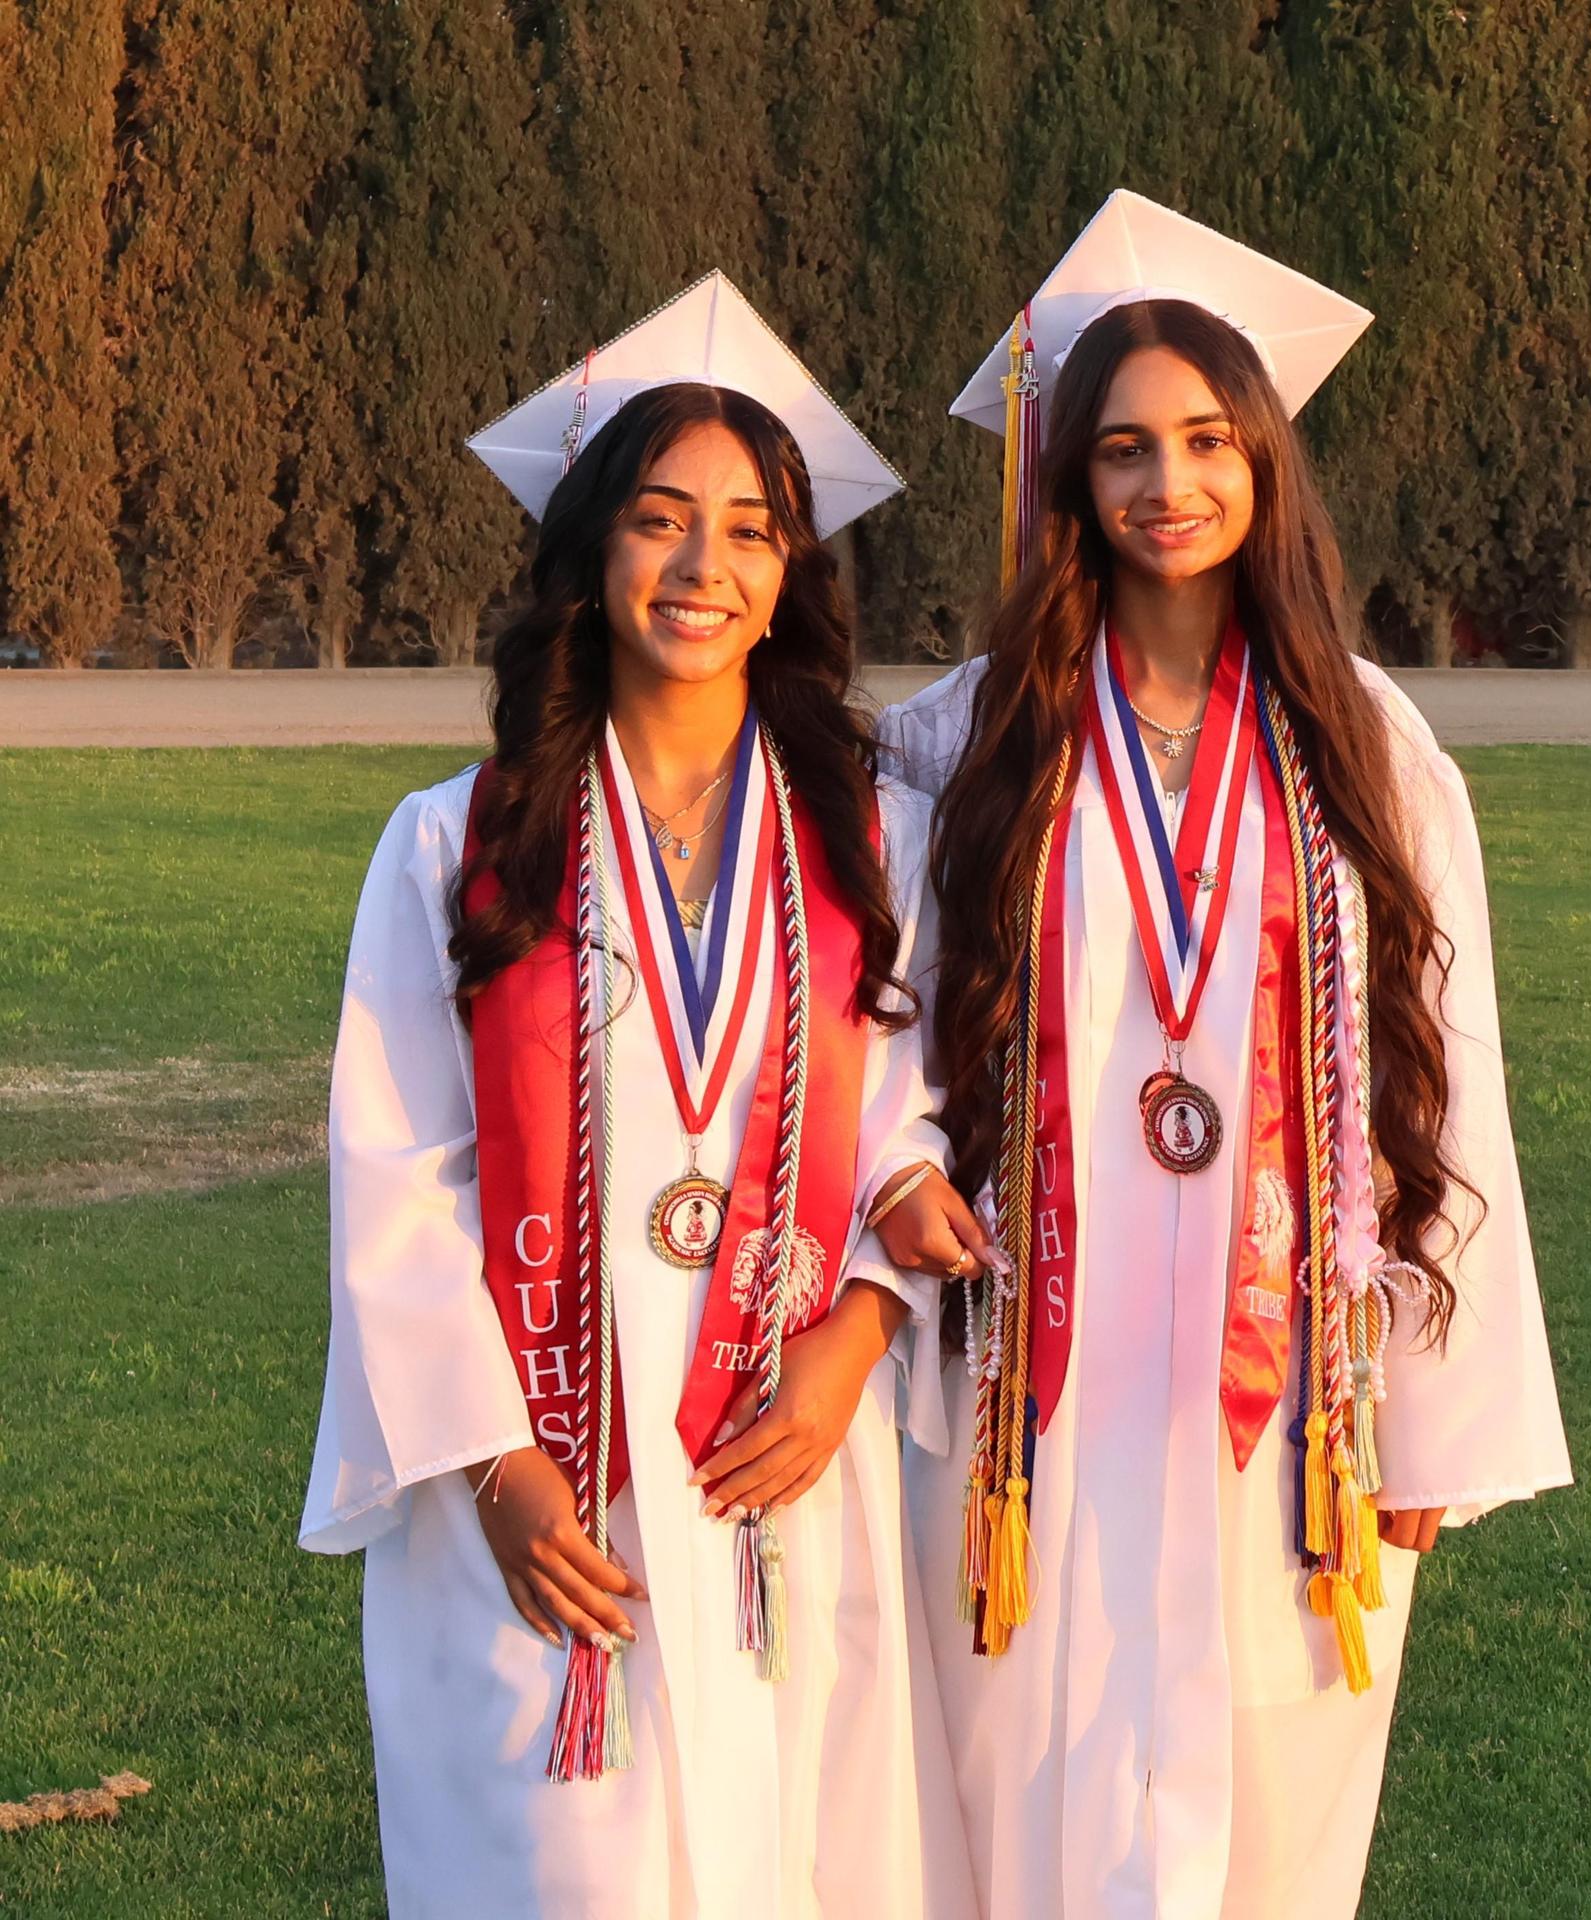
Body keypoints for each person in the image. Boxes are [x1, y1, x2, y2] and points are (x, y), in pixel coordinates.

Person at [881, 191, 1572, 1919]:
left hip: (1295, 1389)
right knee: (1022, 1785)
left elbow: (1449, 1054)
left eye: (1204, 438)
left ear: (1265, 456)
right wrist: (895, 1167)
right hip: (1034, 1372)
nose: (1164, 483)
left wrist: (1434, 1420)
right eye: (1119, 448)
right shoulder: (968, 732)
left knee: (1273, 1801)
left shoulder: (1366, 732)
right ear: (1069, 478)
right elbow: (861, 983)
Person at [301, 272, 983, 1920]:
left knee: (791, 1859)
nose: (703, 566)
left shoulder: (865, 837)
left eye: (749, 531)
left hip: (780, 1456)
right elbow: (398, 1180)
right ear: (592, 553)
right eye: (661, 521)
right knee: (567, 1874)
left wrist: (854, 1342)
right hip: (545, 1471)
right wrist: (504, 1475)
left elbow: (911, 1109)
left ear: (788, 576)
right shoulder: (456, 845)